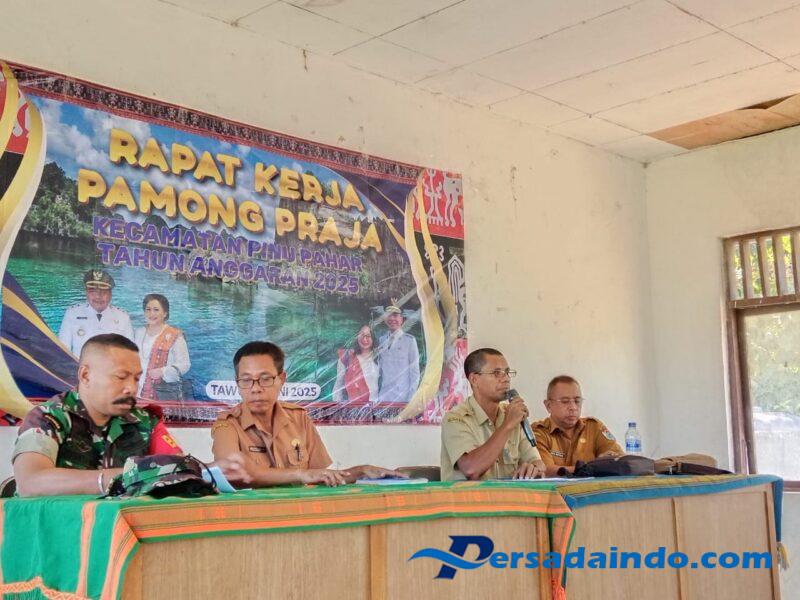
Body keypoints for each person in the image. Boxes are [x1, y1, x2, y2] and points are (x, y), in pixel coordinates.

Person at [11, 334, 249, 497]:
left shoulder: (144, 421)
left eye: (136, 378)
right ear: (85, 375)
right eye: (121, 377)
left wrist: (212, 470)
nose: (131, 388)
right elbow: (30, 481)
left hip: (125, 534)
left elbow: (175, 467)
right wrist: (121, 478)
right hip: (62, 533)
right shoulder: (49, 418)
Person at [211, 341, 406, 487]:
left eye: (265, 379)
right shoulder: (227, 424)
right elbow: (232, 471)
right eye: (246, 380)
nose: (255, 388)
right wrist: (299, 474)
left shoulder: (299, 418)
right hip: (253, 519)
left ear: (281, 379)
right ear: (237, 383)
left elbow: (319, 476)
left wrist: (360, 472)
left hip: (301, 515)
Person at [440, 348, 545, 481]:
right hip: (470, 495)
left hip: (508, 494)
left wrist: (534, 469)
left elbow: (537, 462)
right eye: (497, 373)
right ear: (474, 379)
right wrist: (507, 425)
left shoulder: (510, 414)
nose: (506, 379)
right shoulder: (456, 419)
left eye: (507, 372)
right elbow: (471, 469)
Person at [533, 375, 624, 476]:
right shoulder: (538, 432)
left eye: (577, 401)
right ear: (548, 406)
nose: (573, 407)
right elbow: (545, 470)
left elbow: (619, 459)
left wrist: (609, 460)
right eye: (565, 401)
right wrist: (593, 467)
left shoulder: (594, 427)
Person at [58, 269, 134, 356]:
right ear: (86, 292)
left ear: (110, 294)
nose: (98, 296)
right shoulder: (72, 314)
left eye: (104, 292)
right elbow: (62, 352)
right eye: (93, 291)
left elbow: (130, 354)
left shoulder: (123, 317)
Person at [134, 293, 191, 401]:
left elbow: (184, 364)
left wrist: (163, 371)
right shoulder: (138, 332)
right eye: (148, 309)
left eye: (156, 310)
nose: (151, 313)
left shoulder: (175, 335)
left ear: (165, 313)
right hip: (136, 393)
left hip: (162, 393)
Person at [376, 303, 420, 406]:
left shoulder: (410, 341)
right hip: (383, 397)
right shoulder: (381, 340)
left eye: (395, 315)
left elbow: (415, 372)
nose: (392, 318)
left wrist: (410, 400)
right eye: (389, 315)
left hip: (402, 398)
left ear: (401, 319)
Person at [331, 325, 379, 418]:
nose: (364, 339)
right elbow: (338, 385)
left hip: (374, 411)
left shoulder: (380, 357)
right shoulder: (347, 357)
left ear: (373, 338)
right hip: (352, 411)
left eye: (368, 336)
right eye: (362, 335)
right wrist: (338, 409)